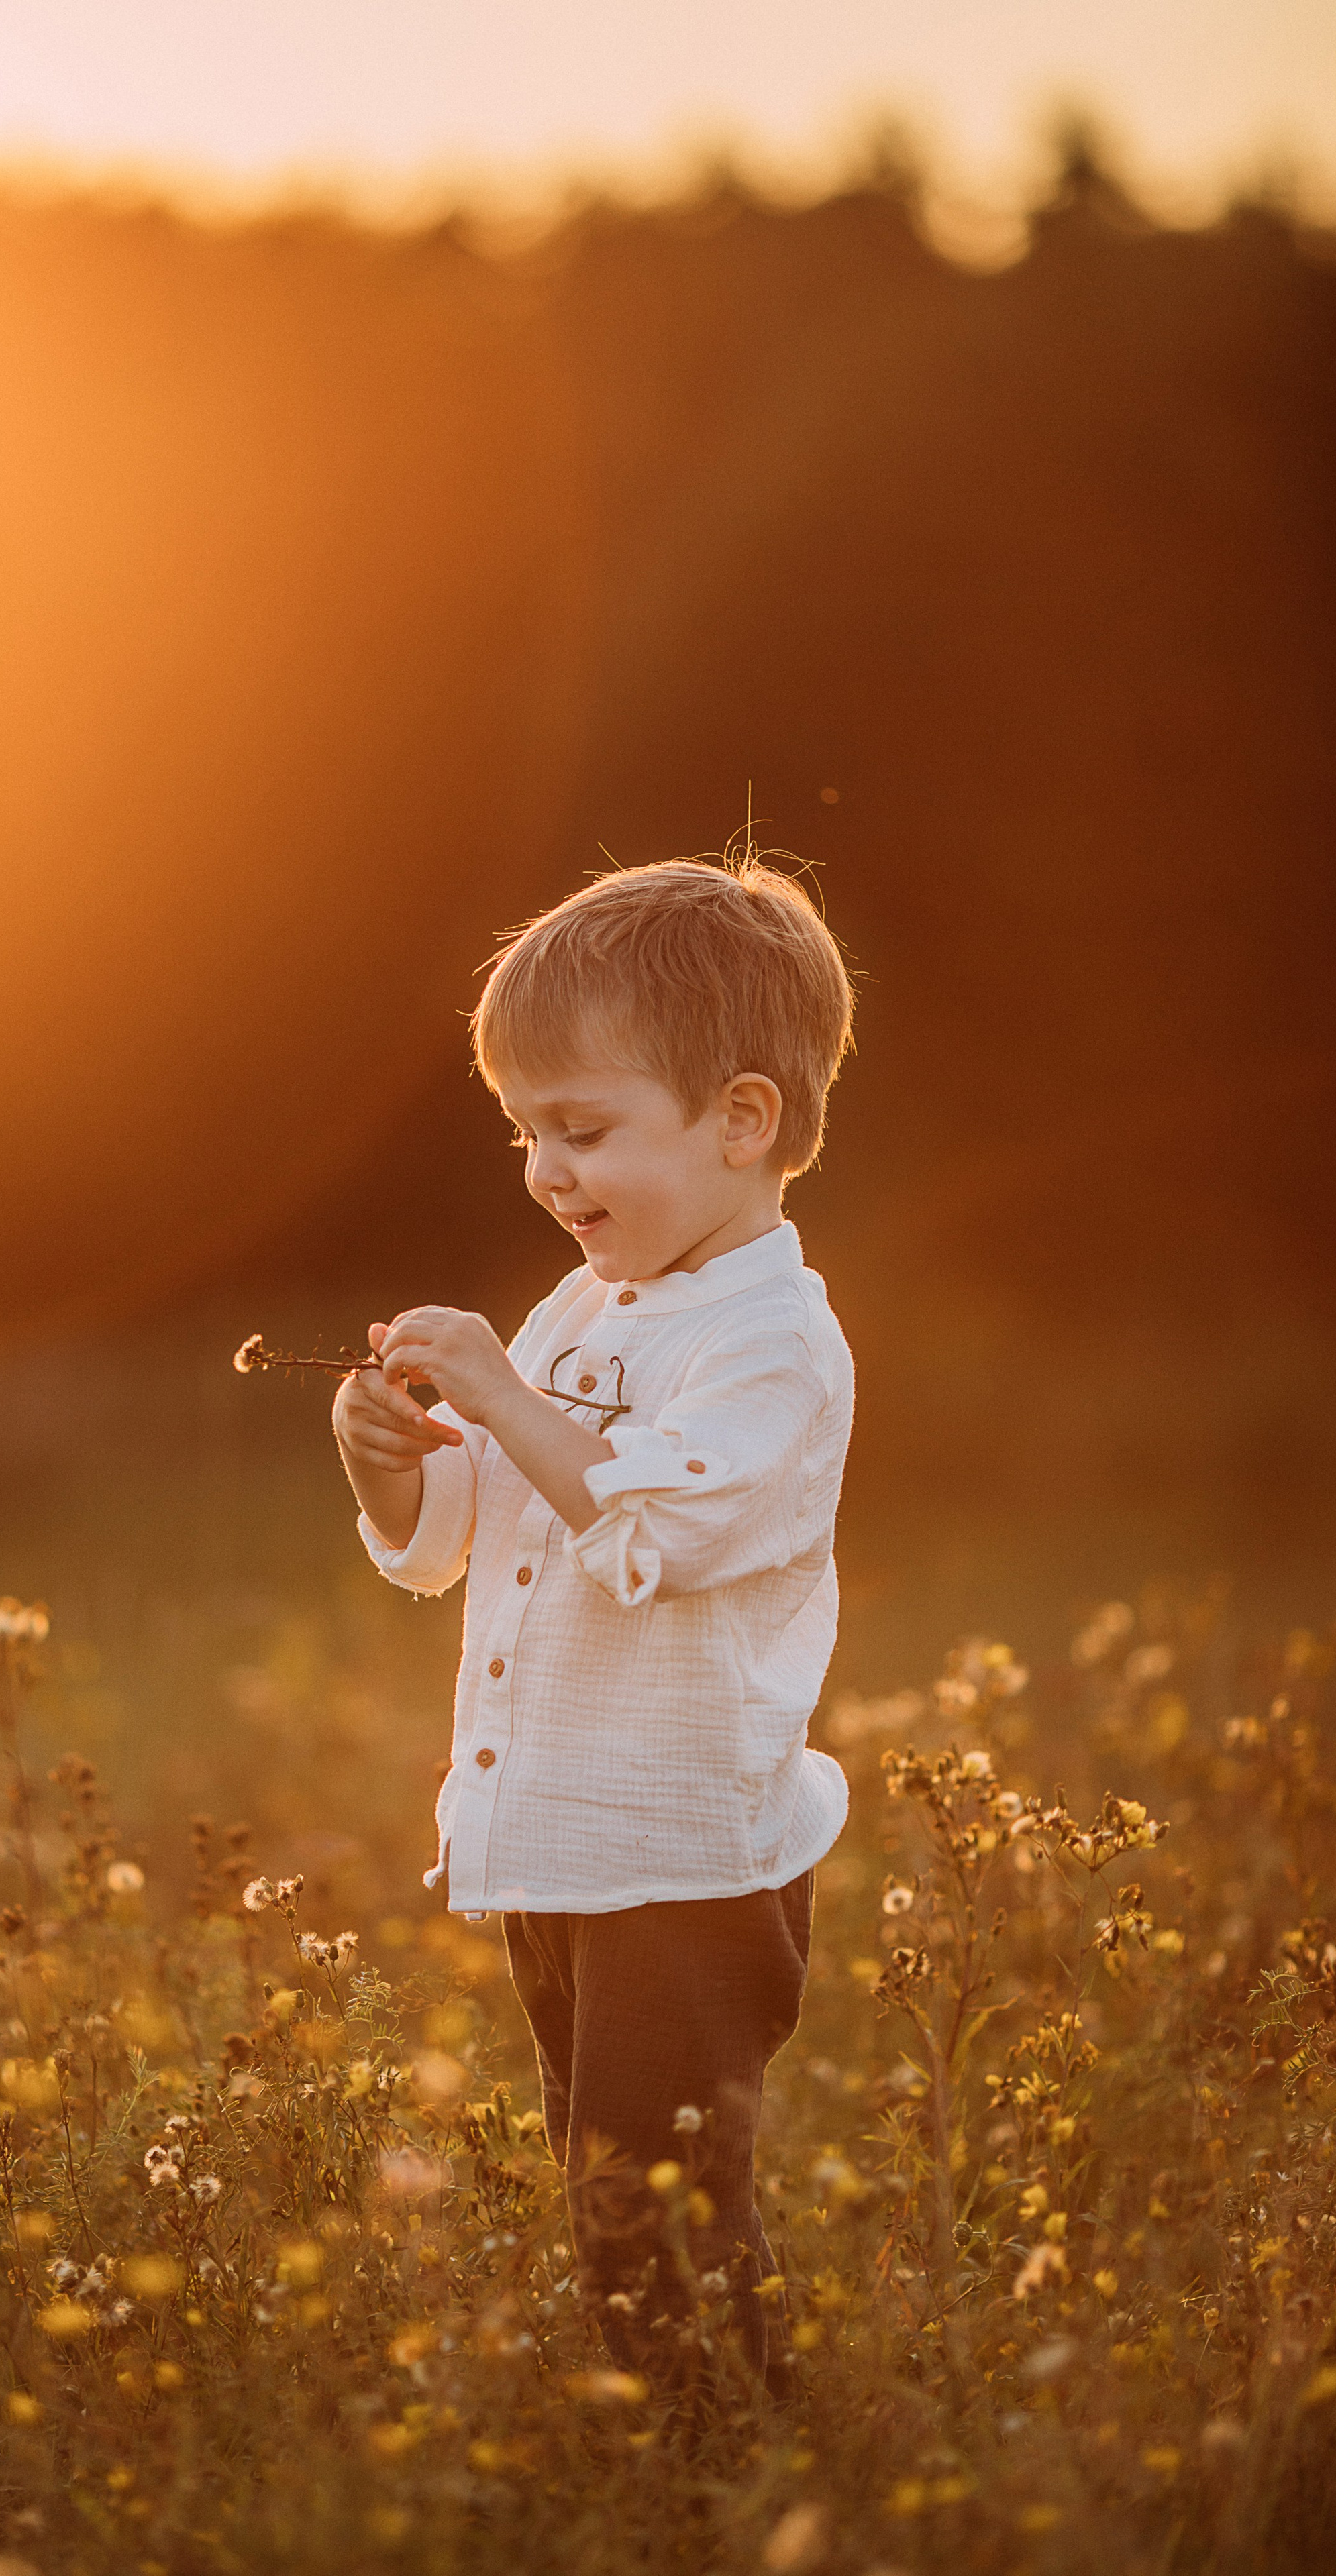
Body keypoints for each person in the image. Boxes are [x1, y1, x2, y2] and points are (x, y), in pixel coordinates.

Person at [331, 853, 855, 2385]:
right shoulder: (581, 1313)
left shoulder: (770, 1344)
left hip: (682, 1863)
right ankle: (691, 2443)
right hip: (566, 1842)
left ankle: (718, 2462)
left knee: (660, 2208)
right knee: (606, 2185)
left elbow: (649, 1536)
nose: (545, 1173)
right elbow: (469, 1538)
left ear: (740, 1121)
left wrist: (500, 1392)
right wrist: (387, 1466)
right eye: (524, 1134)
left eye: (582, 1130)